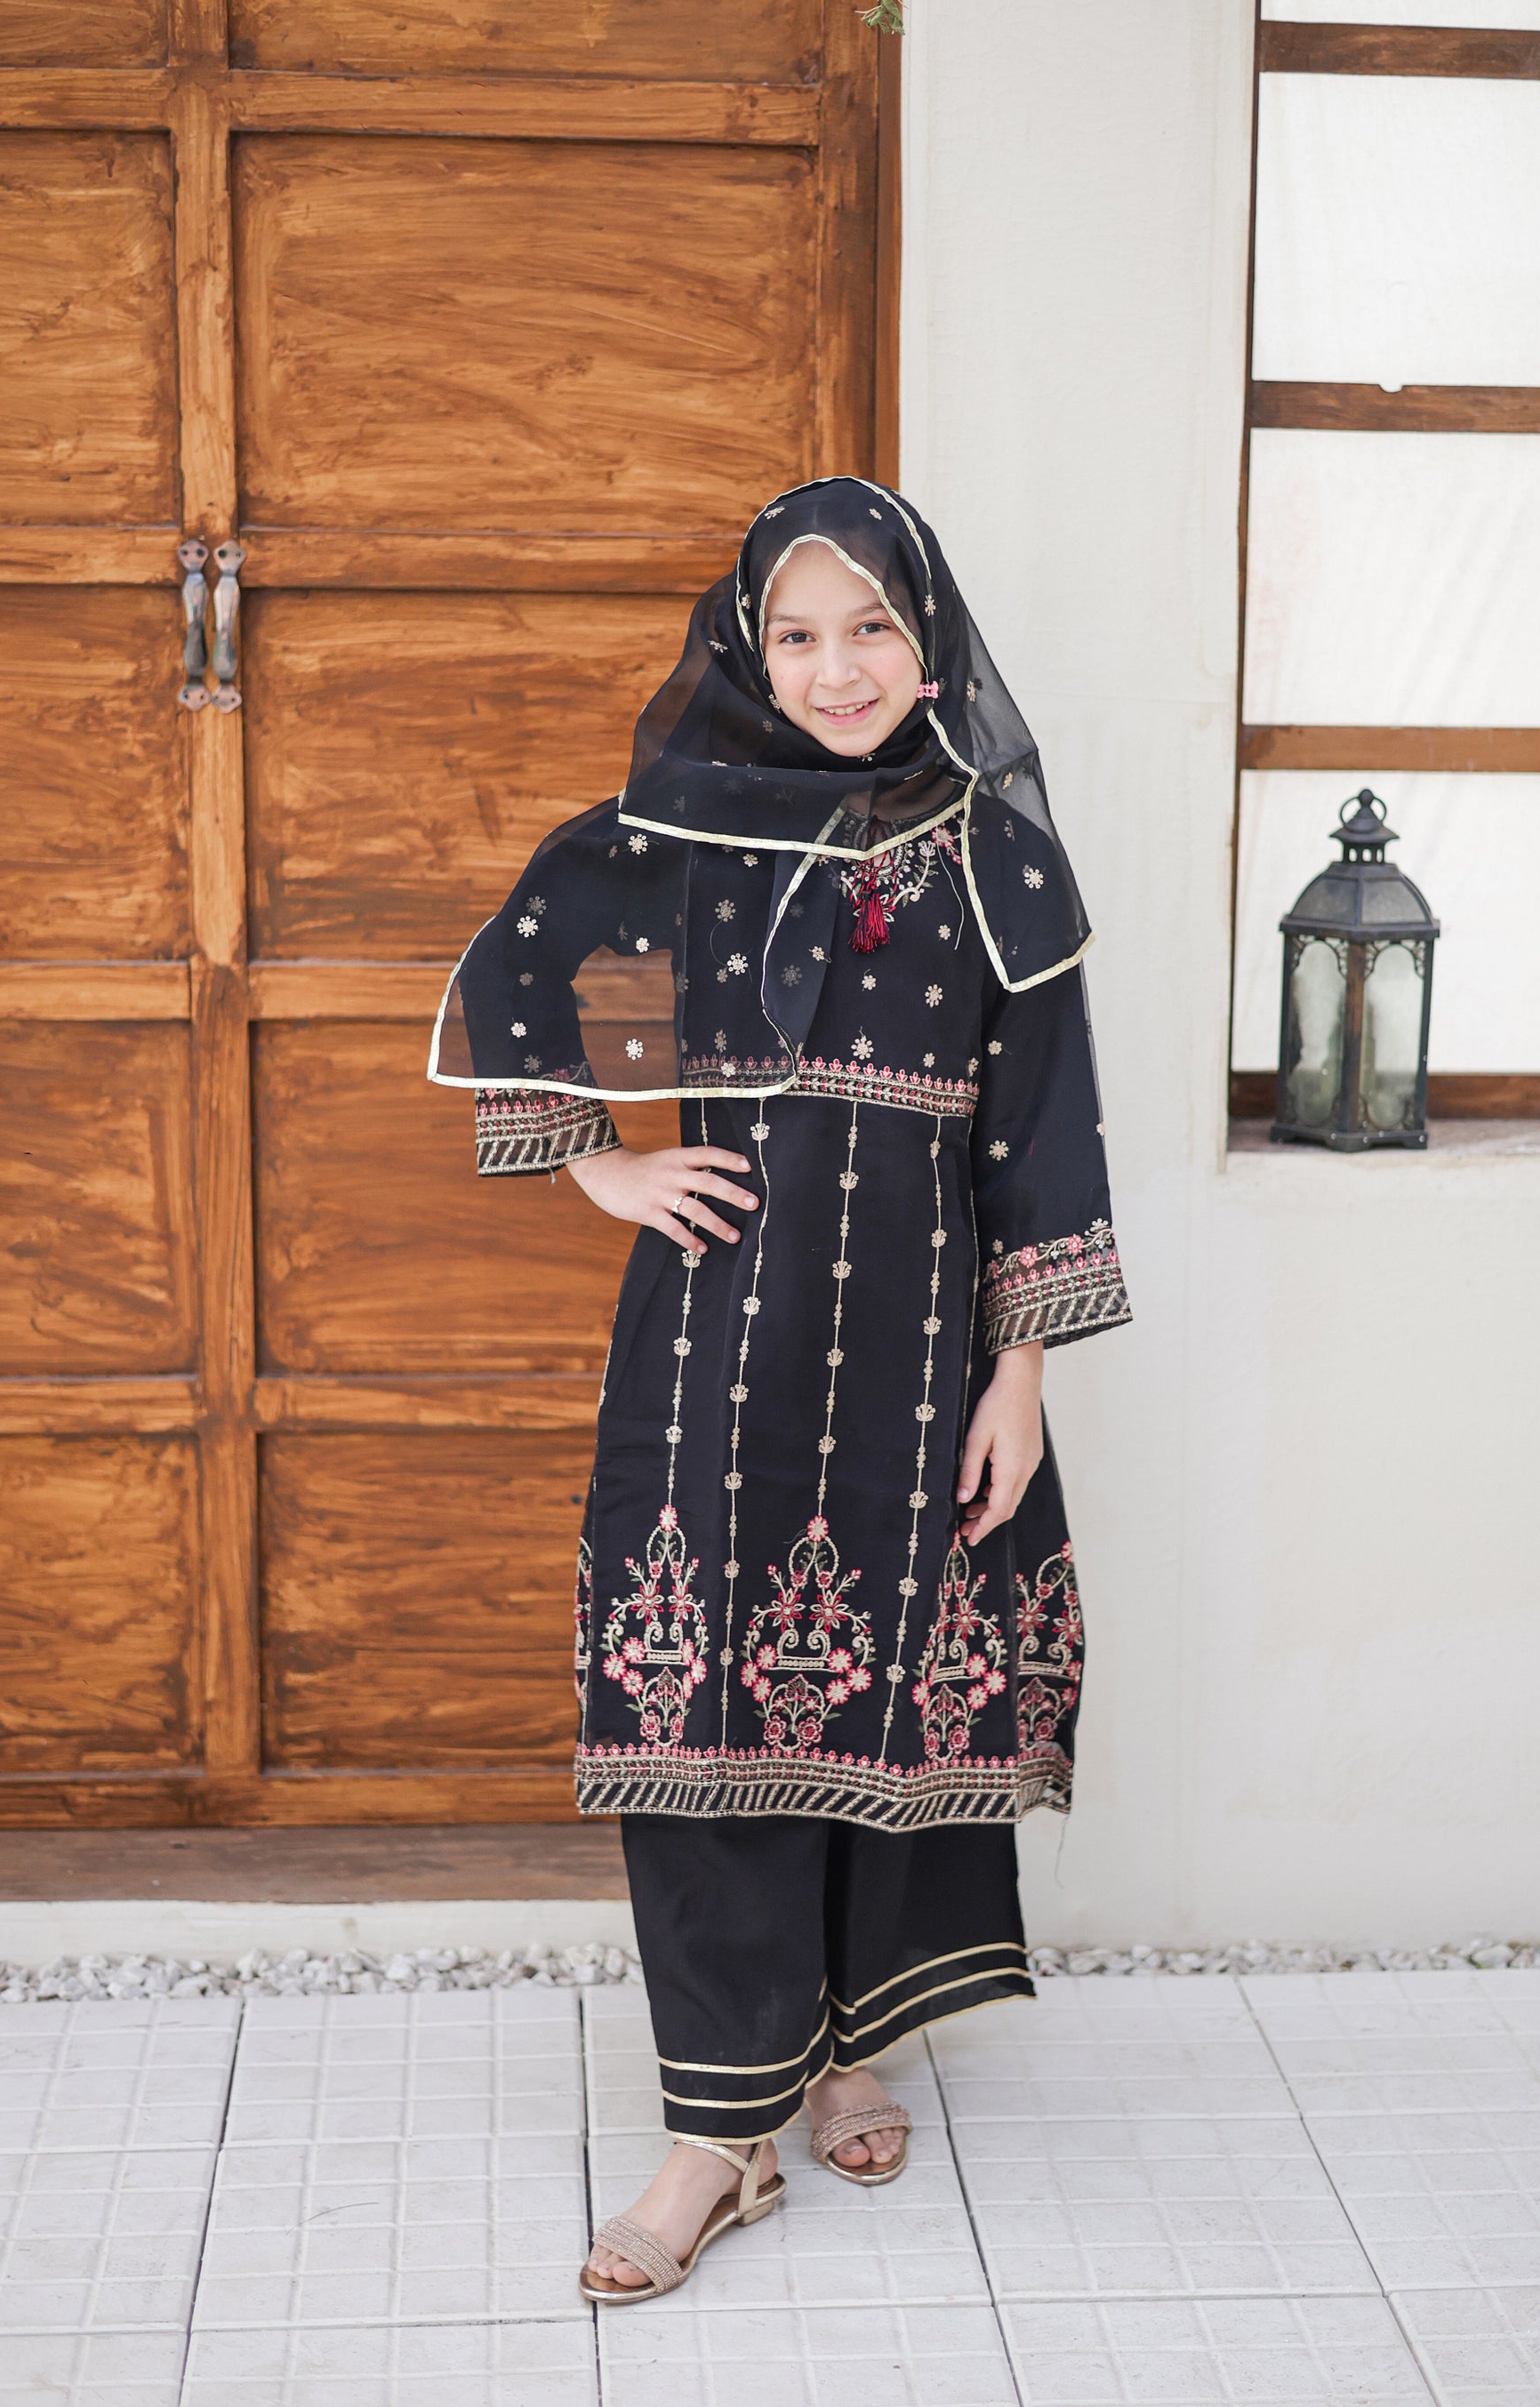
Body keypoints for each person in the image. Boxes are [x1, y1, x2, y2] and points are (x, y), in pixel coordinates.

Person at [430, 477, 1130, 2303]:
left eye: (872, 627)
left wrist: (1021, 1376)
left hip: (925, 1356)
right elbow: (529, 977)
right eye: (798, 633)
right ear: (751, 649)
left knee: (890, 1687)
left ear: (929, 642)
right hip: (716, 1345)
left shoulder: (993, 857)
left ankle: (843, 2046)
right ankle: (712, 2138)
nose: (837, 668)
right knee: (706, 1700)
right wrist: (604, 1164)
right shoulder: (681, 830)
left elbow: (1041, 1126)